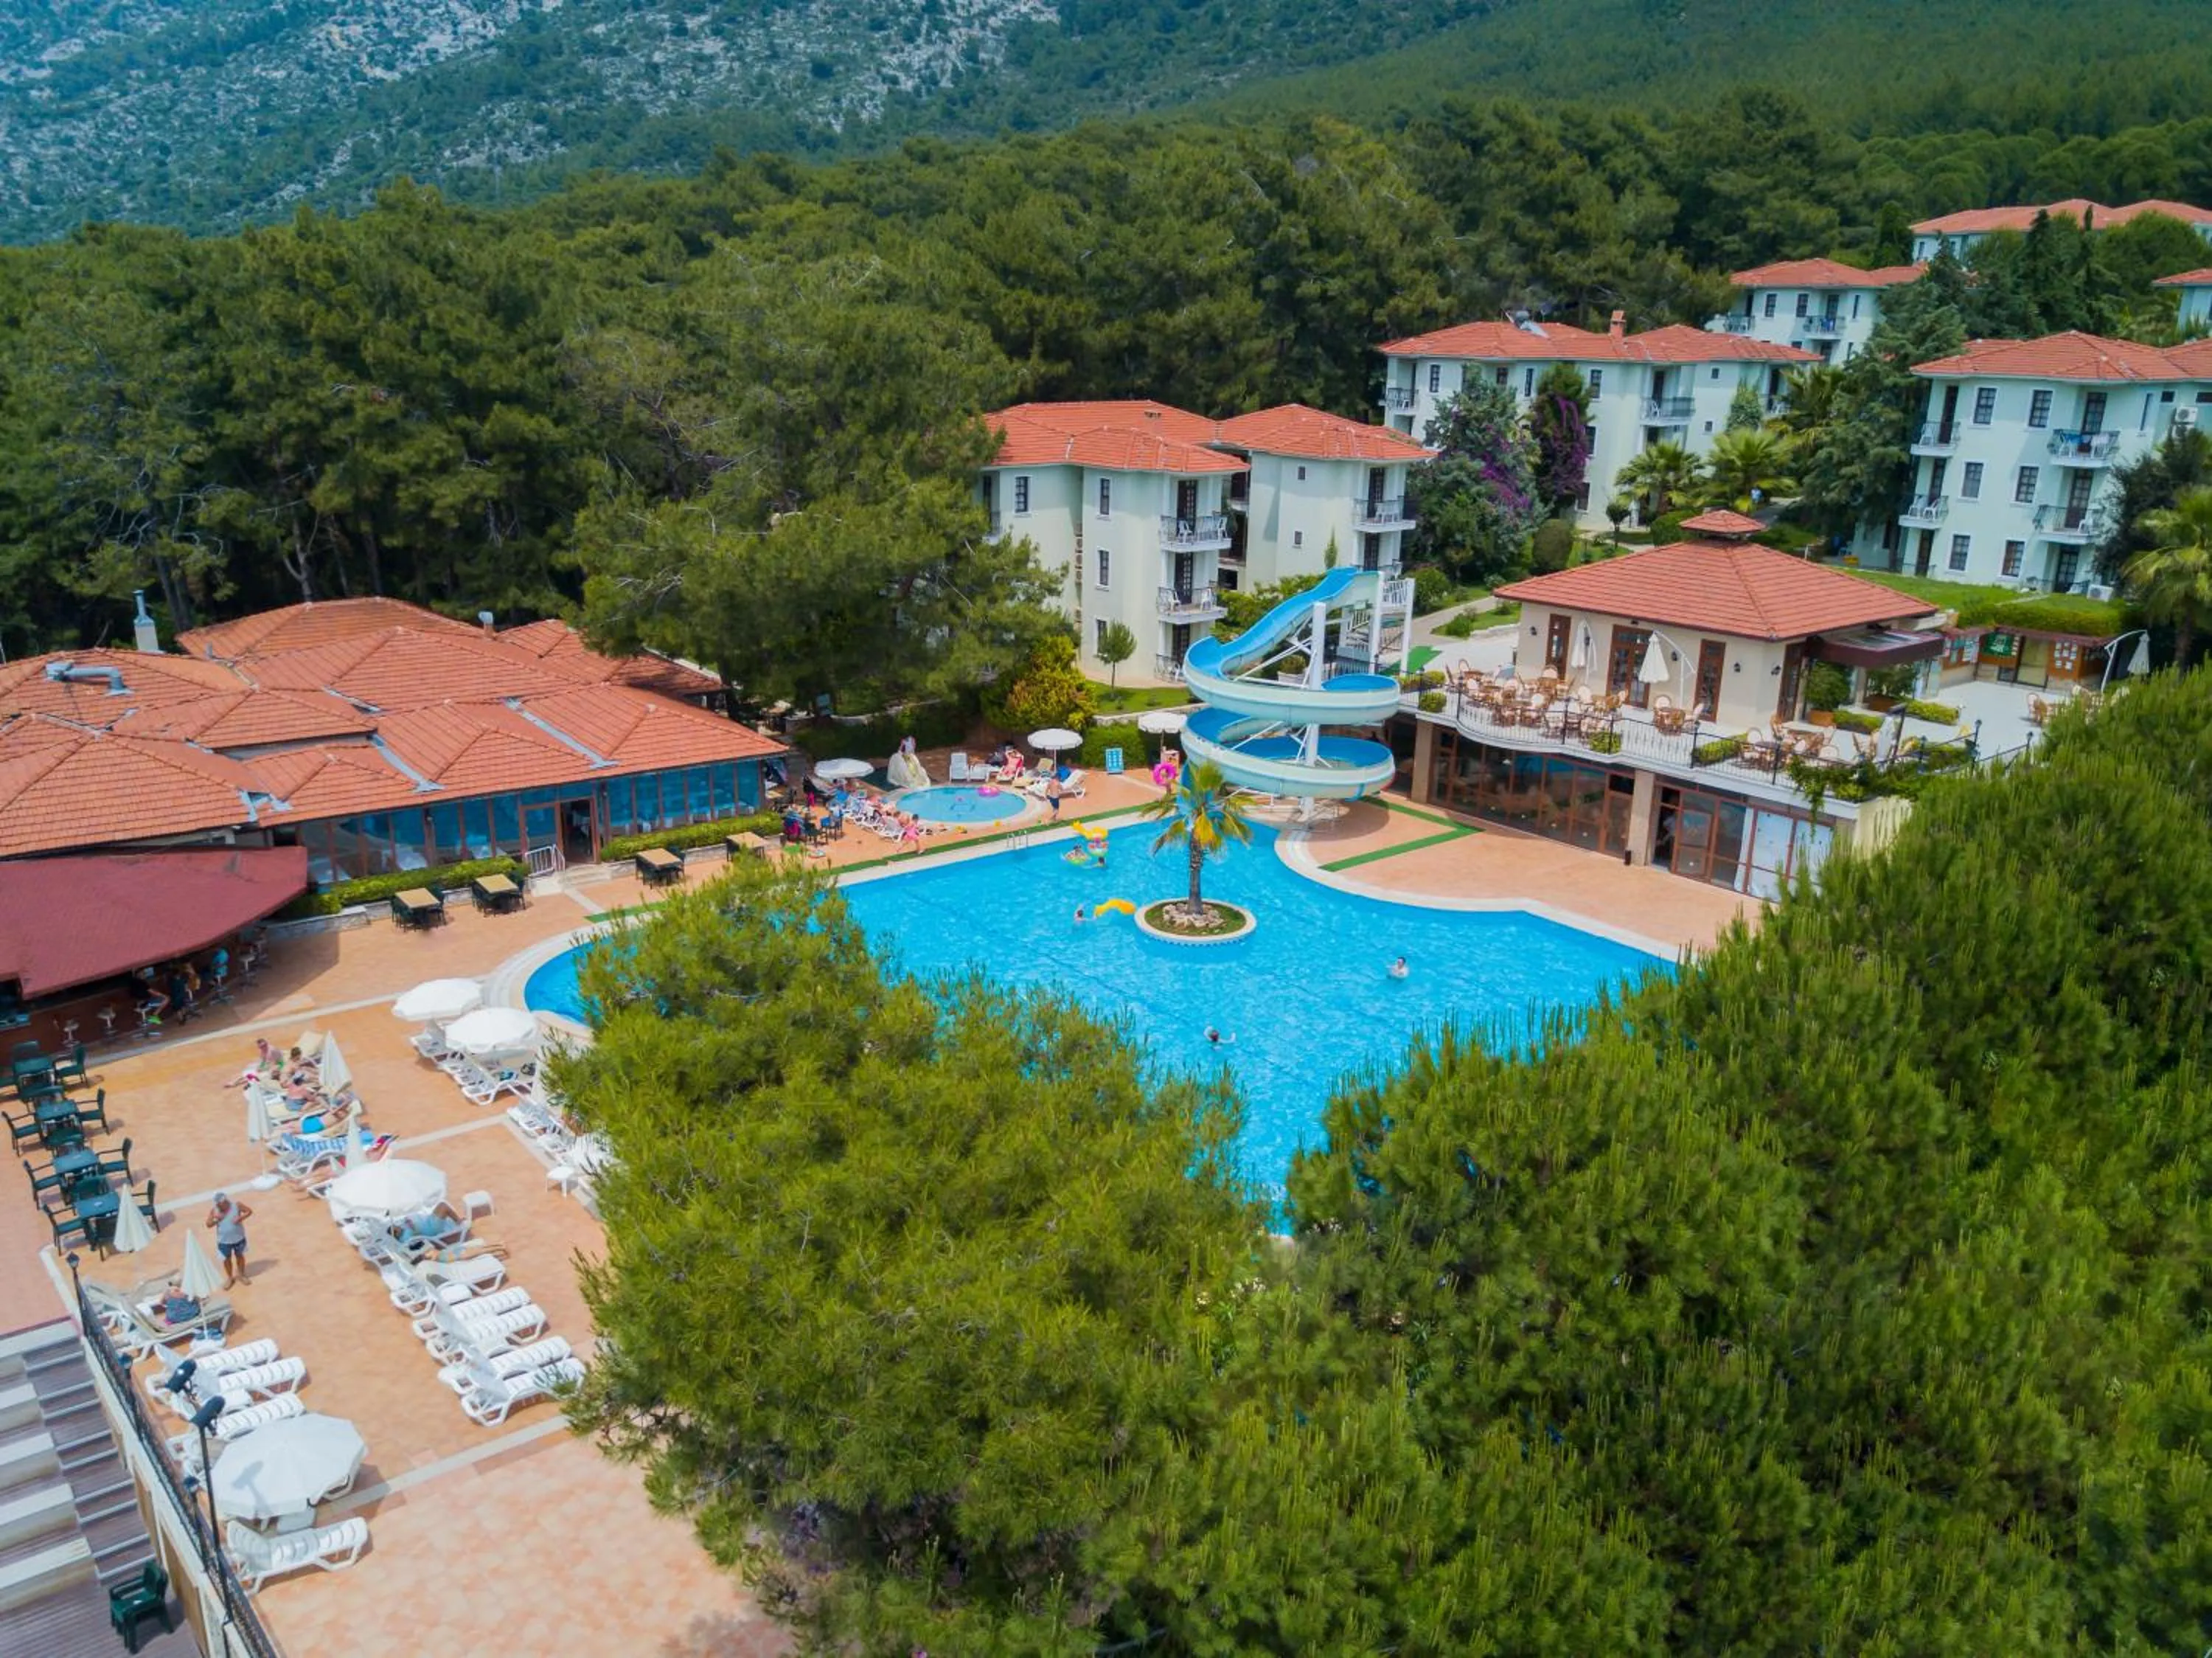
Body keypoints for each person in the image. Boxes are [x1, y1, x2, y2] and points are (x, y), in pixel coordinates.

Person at [207, 1193, 254, 1288]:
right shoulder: (215, 1210)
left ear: (225, 1201)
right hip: (224, 1241)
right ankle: (230, 1278)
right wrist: (217, 1220)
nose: (218, 1206)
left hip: (239, 1238)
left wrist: (240, 1218)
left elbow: (249, 1211)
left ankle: (242, 1275)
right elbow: (208, 1224)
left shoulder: (237, 1205)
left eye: (220, 1204)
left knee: (240, 1256)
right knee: (226, 1260)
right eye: (217, 1204)